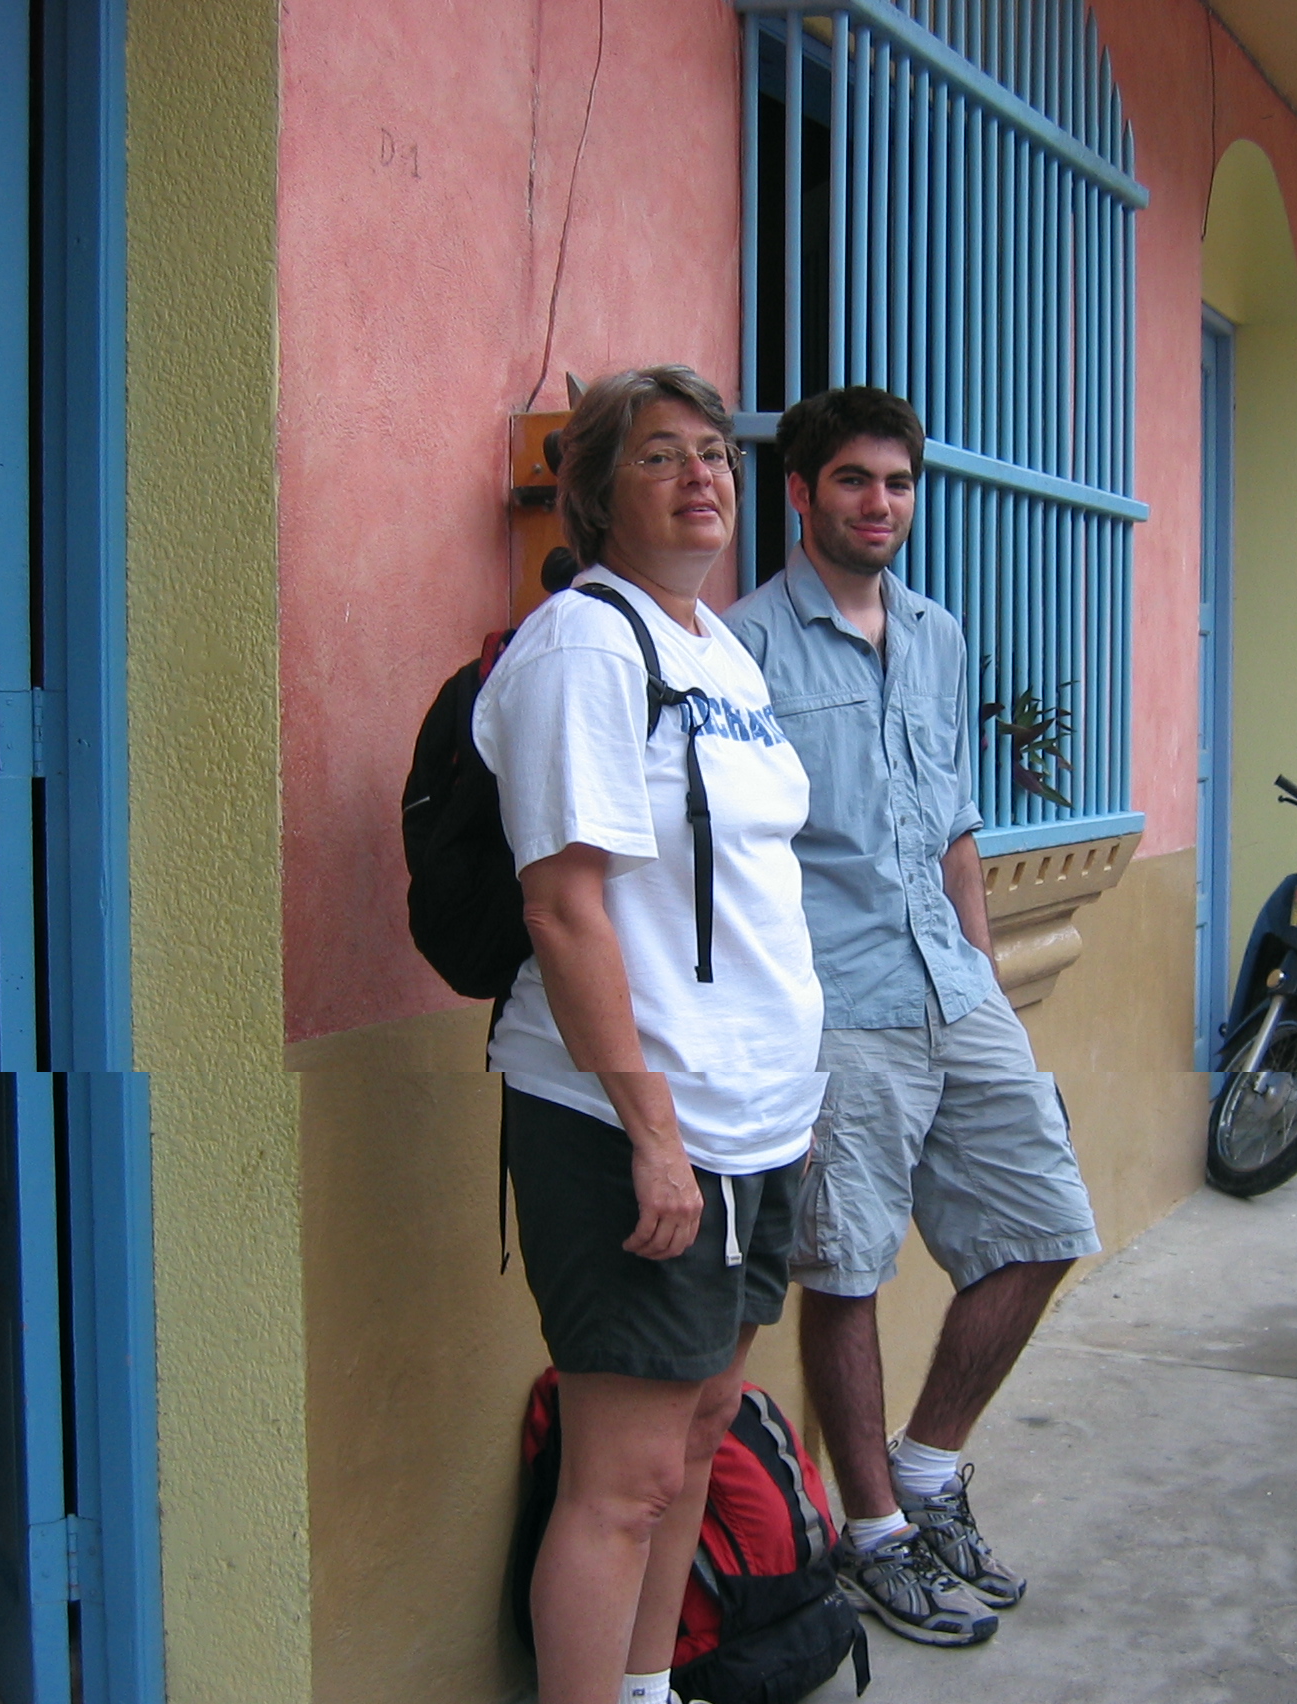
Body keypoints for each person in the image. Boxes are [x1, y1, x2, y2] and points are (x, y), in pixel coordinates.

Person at [725, 386, 1101, 1649]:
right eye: (852, 480)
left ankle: (927, 1470)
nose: (878, 503)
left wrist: (987, 984)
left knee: (1044, 1221)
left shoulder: (936, 633)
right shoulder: (746, 649)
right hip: (836, 1004)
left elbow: (954, 829)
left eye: (895, 482)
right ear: (800, 493)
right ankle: (874, 1531)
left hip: (952, 984)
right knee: (846, 1268)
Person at [473, 365, 826, 1704]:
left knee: (697, 1435)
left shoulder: (720, 652)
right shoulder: (583, 645)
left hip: (755, 1115)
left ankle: (647, 1688)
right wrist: (653, 1133)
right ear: (594, 492)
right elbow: (564, 907)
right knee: (620, 1483)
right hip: (633, 1119)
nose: (702, 477)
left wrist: (788, 1104)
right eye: (661, 455)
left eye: (716, 455)